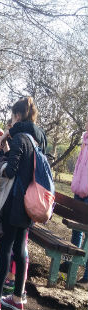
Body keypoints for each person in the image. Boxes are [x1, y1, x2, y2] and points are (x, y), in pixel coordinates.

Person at [0, 97, 44, 310]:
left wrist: (2, 160)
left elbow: (12, 171)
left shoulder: (20, 138)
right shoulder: (37, 140)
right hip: (29, 205)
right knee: (20, 250)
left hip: (14, 203)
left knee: (4, 248)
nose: (11, 121)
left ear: (18, 116)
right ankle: (17, 298)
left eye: (13, 116)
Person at [69, 115, 88, 289]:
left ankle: (87, 276)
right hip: (79, 190)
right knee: (76, 229)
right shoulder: (85, 139)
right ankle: (70, 263)